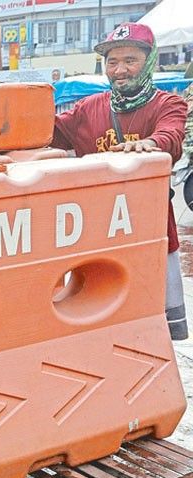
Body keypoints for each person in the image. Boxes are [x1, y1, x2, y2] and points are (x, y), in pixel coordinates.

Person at [51, 22, 189, 340]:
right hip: (97, 234)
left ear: (149, 61)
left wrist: (149, 145)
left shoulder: (168, 104)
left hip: (150, 231)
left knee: (156, 330)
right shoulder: (88, 108)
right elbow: (49, 134)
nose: (120, 70)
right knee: (97, 322)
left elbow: (171, 136)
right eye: (112, 62)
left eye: (130, 60)